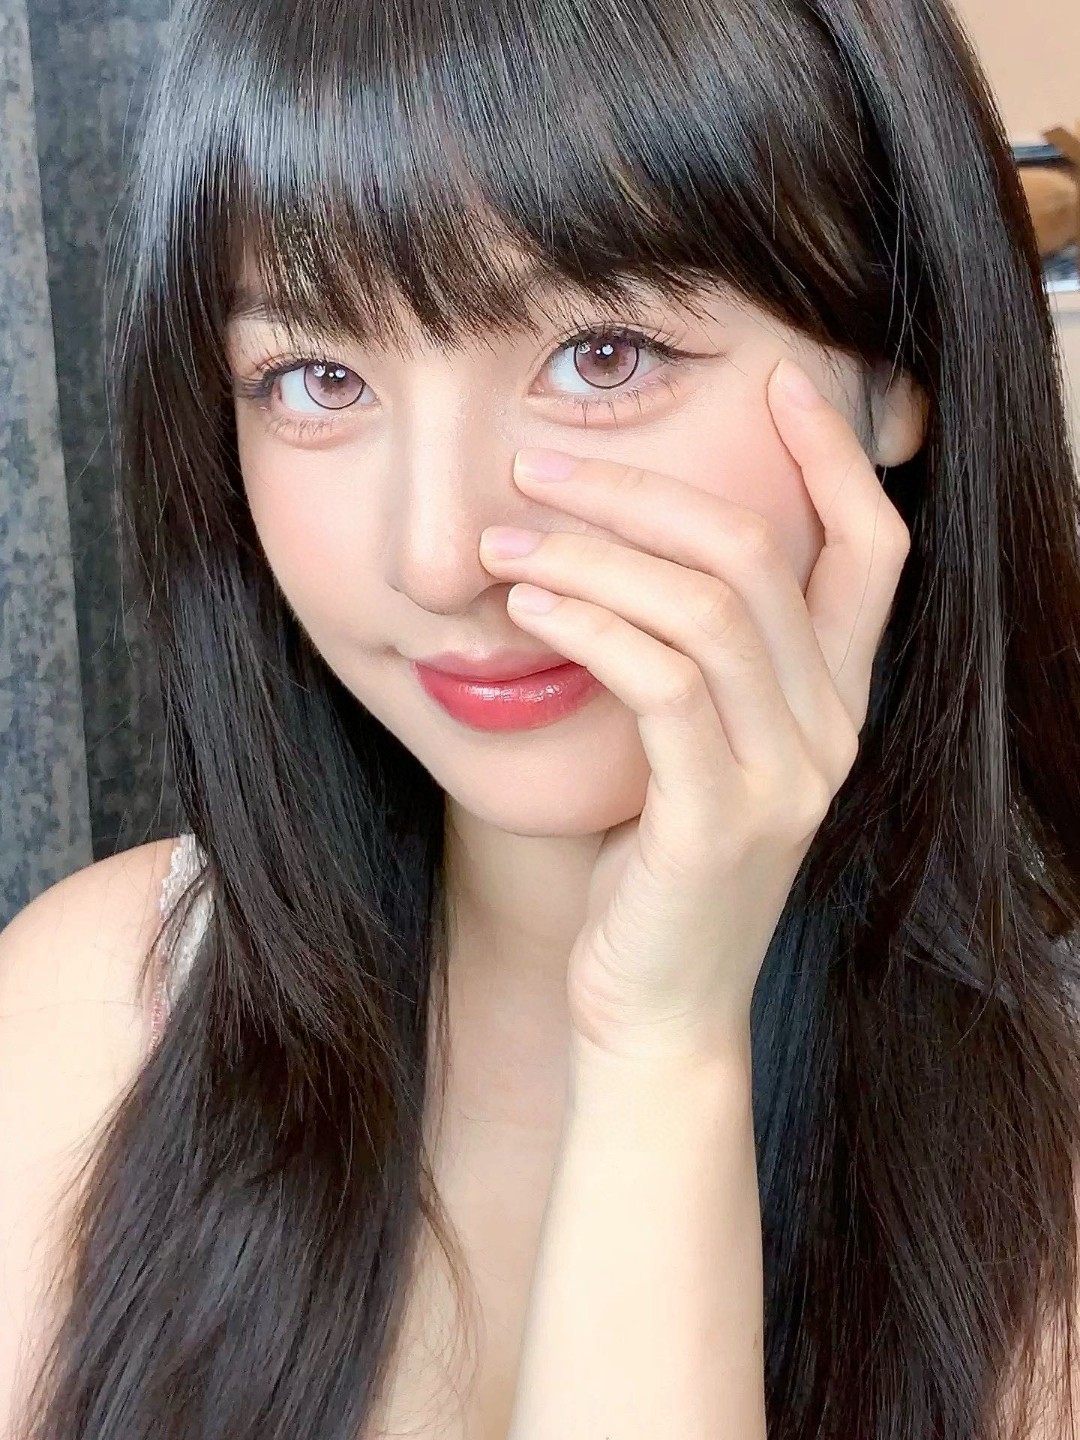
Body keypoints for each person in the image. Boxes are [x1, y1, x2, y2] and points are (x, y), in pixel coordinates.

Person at [2, 0, 1080, 1434]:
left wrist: (661, 1050)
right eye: (318, 378)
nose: (437, 555)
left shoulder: (1048, 1173)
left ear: (896, 367)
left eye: (603, 356)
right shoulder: (94, 1014)